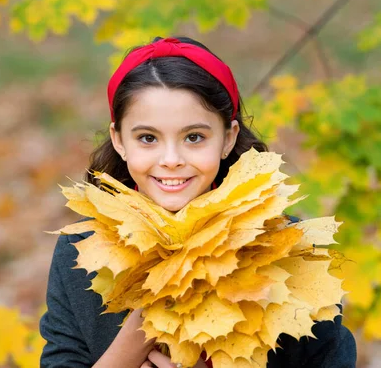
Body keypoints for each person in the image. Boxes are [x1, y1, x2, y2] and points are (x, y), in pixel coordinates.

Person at [40, 36, 357, 368]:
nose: (172, 159)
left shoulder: (285, 246)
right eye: (148, 138)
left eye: (194, 137)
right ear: (119, 140)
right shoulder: (81, 247)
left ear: (228, 138)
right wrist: (138, 333)